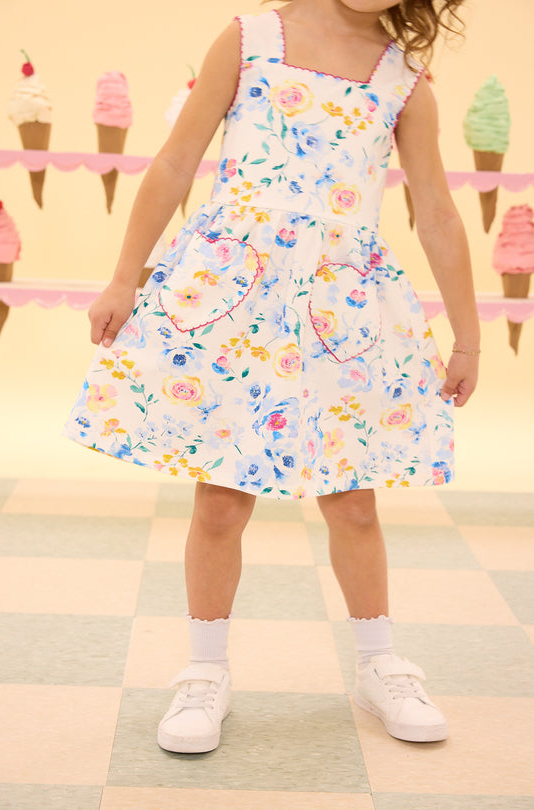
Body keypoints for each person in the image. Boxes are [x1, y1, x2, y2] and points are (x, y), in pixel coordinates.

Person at [64, 0, 479, 753]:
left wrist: (470, 337)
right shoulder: (251, 37)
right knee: (221, 502)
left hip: (342, 310)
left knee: (352, 501)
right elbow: (175, 162)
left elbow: (439, 213)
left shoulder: (404, 78)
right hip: (236, 298)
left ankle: (380, 662)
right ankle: (204, 671)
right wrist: (124, 277)